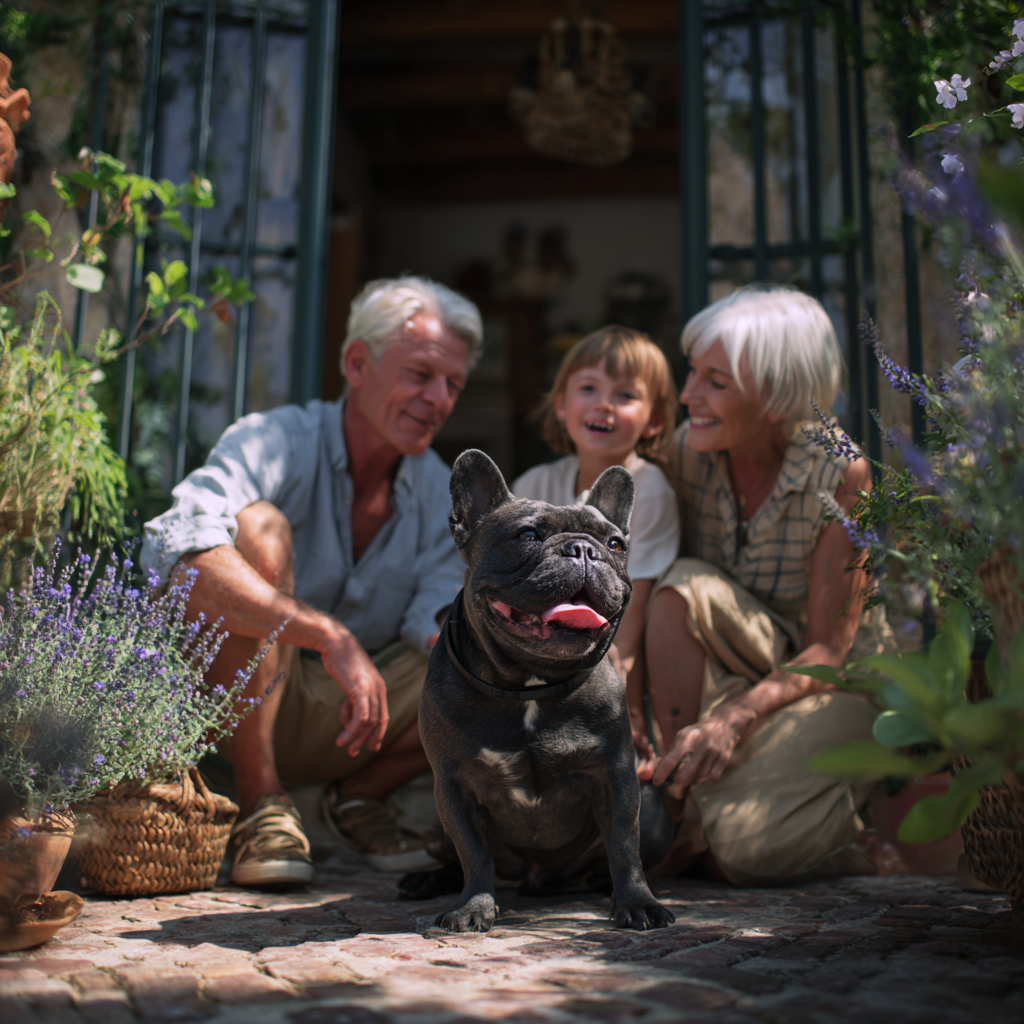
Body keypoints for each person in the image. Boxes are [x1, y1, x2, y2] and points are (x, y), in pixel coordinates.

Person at [140, 276, 482, 886]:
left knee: (485, 649)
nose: (438, 398)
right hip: (224, 706)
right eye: (421, 374)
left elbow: (430, 616)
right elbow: (178, 550)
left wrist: (487, 665)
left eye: (452, 384)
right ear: (357, 362)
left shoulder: (439, 489)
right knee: (258, 531)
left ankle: (354, 799)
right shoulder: (274, 439)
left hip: (355, 719)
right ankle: (260, 804)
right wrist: (328, 635)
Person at [642, 283, 895, 885]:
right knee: (680, 587)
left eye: (715, 382)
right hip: (736, 664)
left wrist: (734, 719)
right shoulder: (686, 452)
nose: (687, 395)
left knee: (747, 852)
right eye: (692, 373)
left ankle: (854, 839)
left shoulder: (841, 471)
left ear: (779, 397)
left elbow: (828, 650)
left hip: (833, 682)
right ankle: (677, 799)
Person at [513, 326, 680, 775]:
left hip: (614, 657)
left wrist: (625, 709)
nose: (604, 403)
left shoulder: (651, 490)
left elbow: (634, 607)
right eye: (588, 388)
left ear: (656, 420)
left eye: (625, 395)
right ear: (562, 405)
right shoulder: (535, 486)